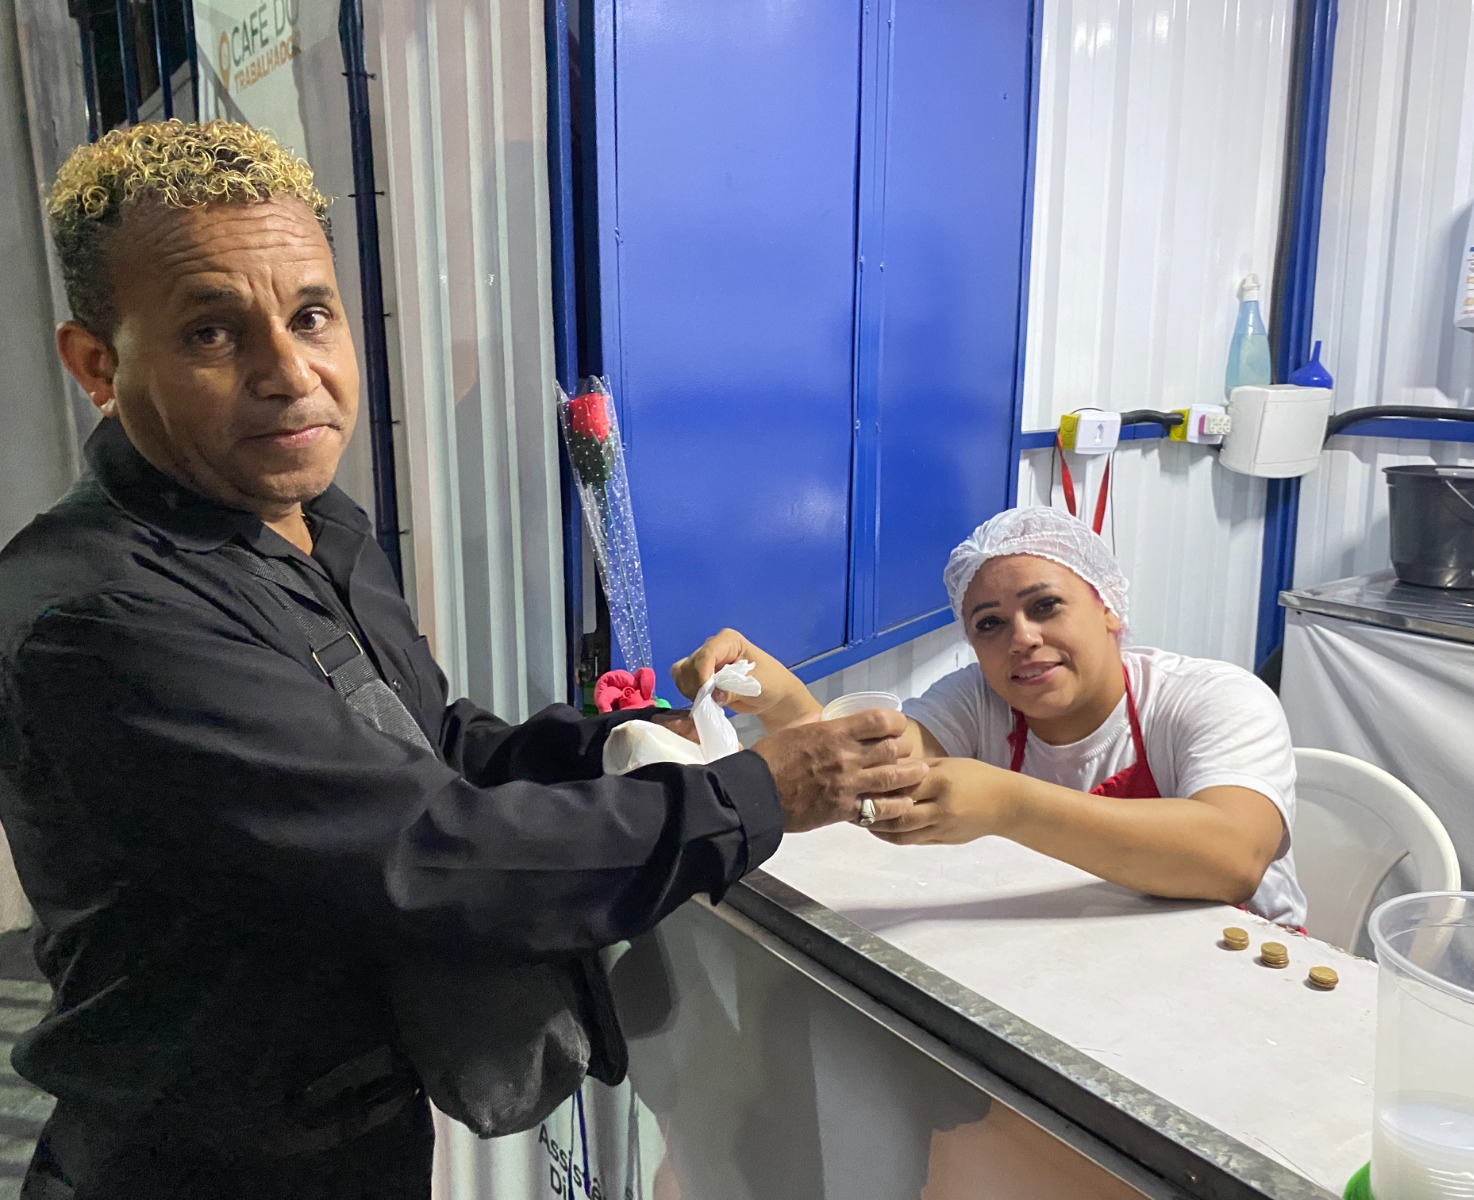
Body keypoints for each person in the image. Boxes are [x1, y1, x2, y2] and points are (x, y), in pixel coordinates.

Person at [0, 119, 925, 1199]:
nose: (290, 374)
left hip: (350, 1137)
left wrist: (620, 745)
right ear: (98, 364)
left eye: (311, 316)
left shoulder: (308, 522)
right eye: (213, 333)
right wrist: (758, 794)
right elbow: (423, 854)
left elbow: (424, 741)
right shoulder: (102, 616)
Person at [675, 506, 1307, 927]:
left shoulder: (1212, 699)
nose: (1022, 639)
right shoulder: (979, 701)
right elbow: (870, 772)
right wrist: (782, 700)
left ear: (1108, 607)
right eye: (990, 625)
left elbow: (1233, 859)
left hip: (1245, 969)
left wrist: (1008, 805)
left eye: (1046, 606)